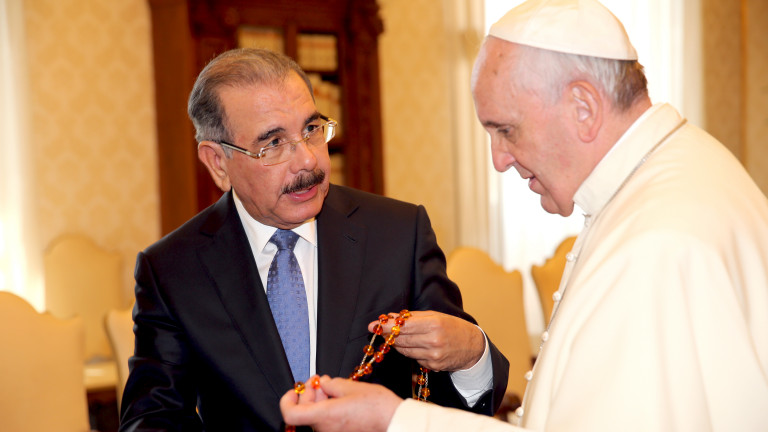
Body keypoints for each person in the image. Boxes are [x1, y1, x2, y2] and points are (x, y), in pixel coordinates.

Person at [279, 0, 768, 431]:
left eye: (507, 130)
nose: (498, 160)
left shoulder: (655, 243)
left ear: (583, 106)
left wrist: (395, 423)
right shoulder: (677, 172)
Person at [118, 48, 510, 431]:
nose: (308, 159)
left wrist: (471, 355)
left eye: (311, 130)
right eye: (273, 143)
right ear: (218, 162)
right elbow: (152, 418)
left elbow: (449, 408)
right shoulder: (173, 269)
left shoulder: (397, 235)